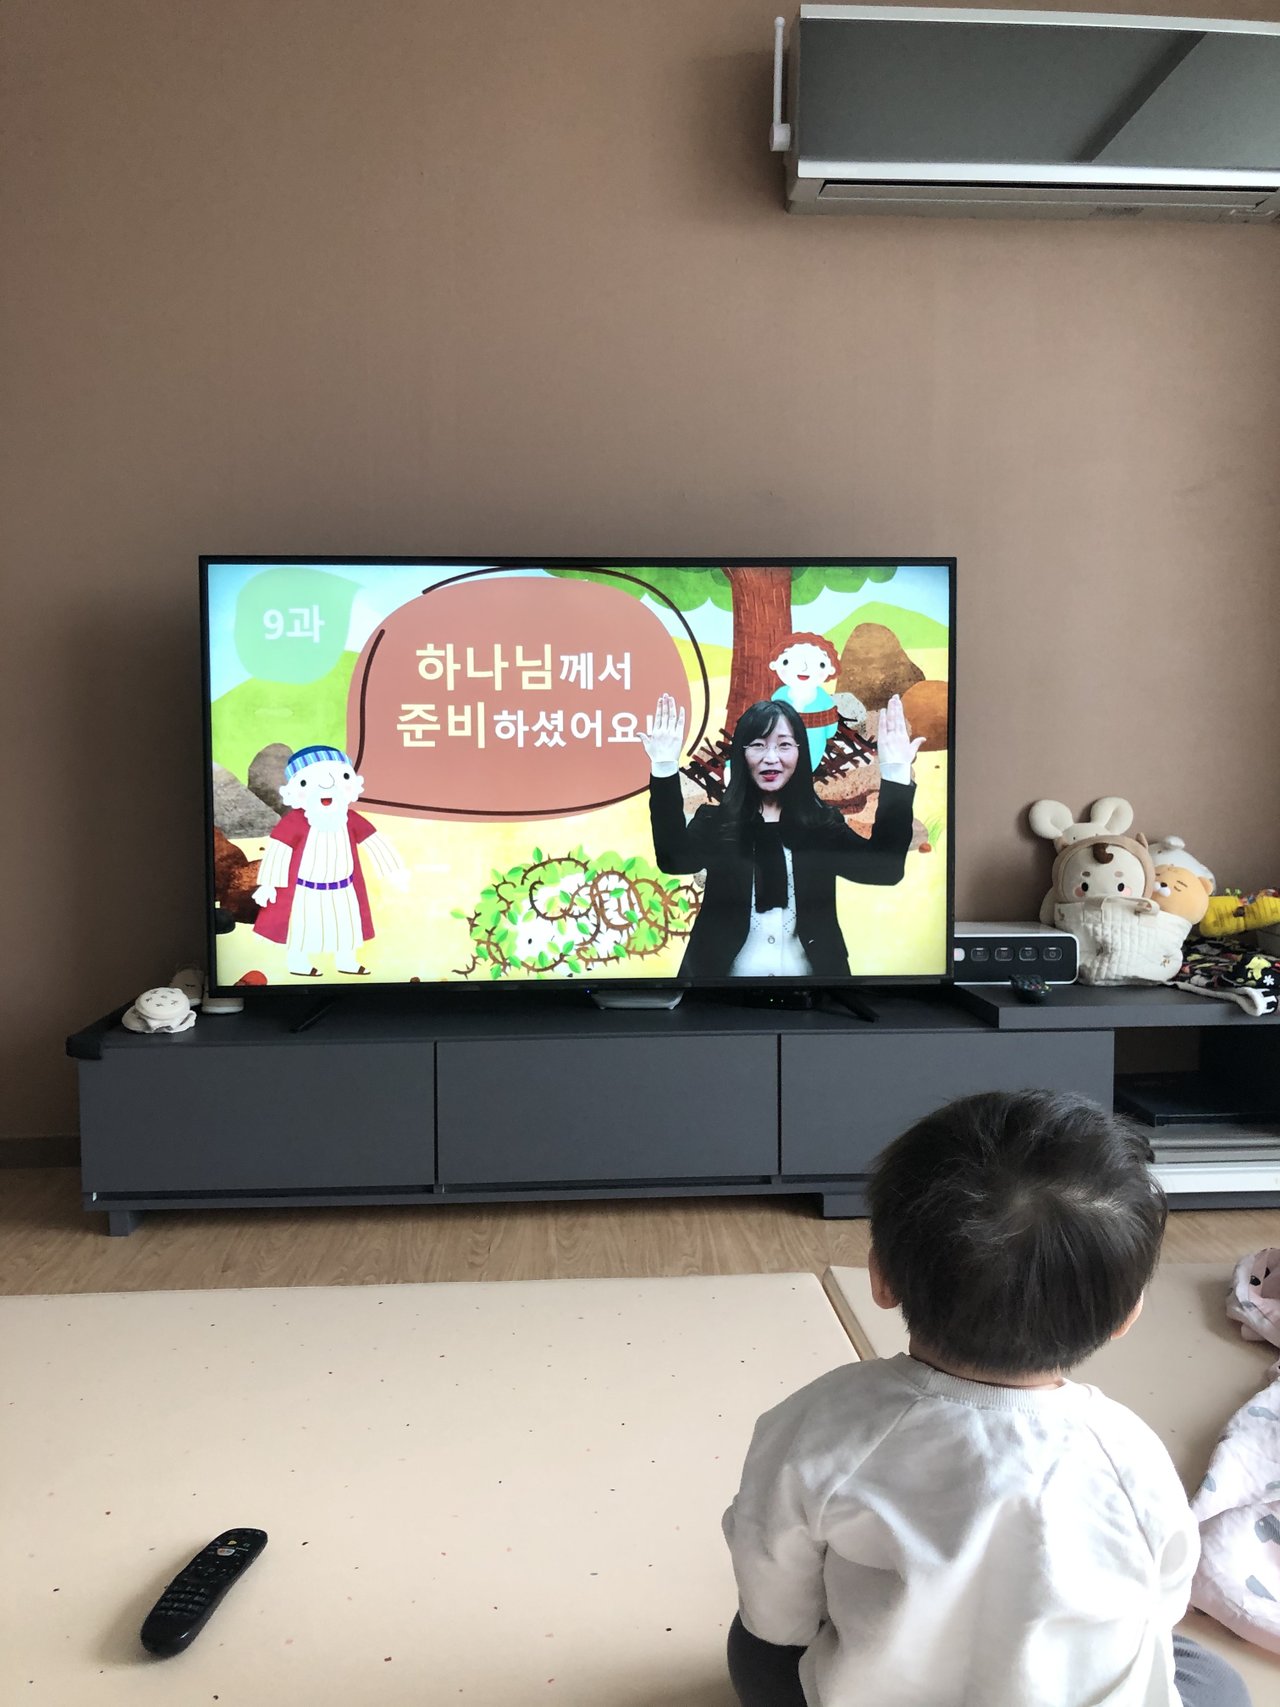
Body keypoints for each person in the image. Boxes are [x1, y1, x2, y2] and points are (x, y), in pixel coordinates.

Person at [721, 1091, 1251, 1707]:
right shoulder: (1129, 1455)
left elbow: (771, 1580)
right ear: (1126, 1316)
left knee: (755, 1645)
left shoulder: (825, 1421)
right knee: (1214, 1681)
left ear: (880, 1277)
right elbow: (1162, 1601)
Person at [641, 693, 919, 979]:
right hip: (720, 995)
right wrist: (664, 767)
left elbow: (884, 870)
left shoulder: (821, 826)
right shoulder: (717, 823)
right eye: (758, 745)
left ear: (801, 753)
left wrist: (895, 772)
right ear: (741, 754)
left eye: (784, 745)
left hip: (813, 995)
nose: (771, 758)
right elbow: (673, 860)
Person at [252, 745, 408, 977]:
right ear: (296, 790)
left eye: (337, 779)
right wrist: (268, 884)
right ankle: (298, 962)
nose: (326, 787)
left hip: (344, 890)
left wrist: (394, 872)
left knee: (346, 928)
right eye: (310, 782)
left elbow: (374, 842)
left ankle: (347, 961)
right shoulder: (294, 822)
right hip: (305, 891)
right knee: (301, 929)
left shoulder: (350, 819)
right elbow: (278, 851)